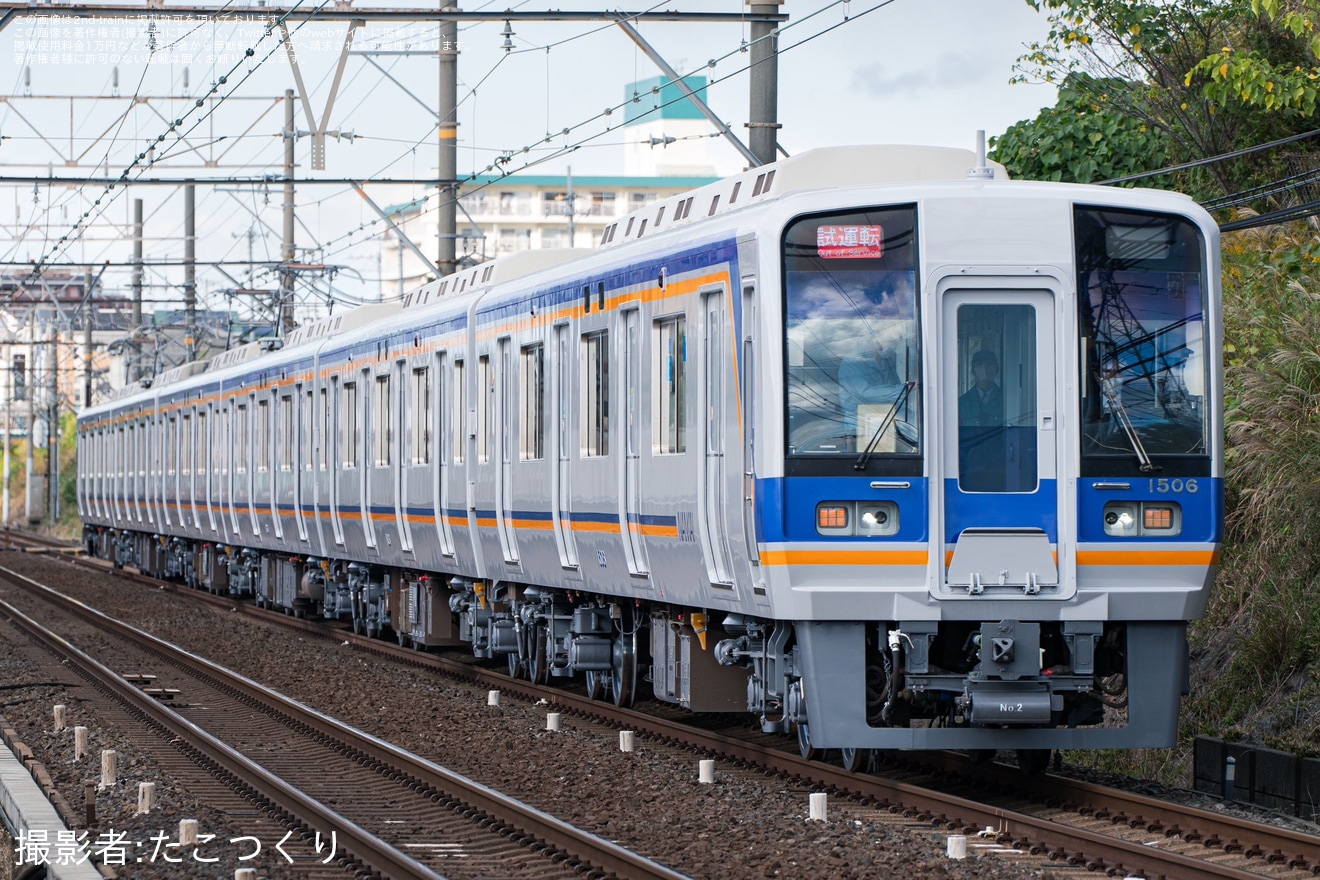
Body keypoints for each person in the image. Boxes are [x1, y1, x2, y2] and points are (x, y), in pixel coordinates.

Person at [959, 349, 1003, 427]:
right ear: (973, 370)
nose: (985, 368)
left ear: (997, 369)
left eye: (990, 363)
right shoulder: (962, 403)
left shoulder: (1006, 400)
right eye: (979, 364)